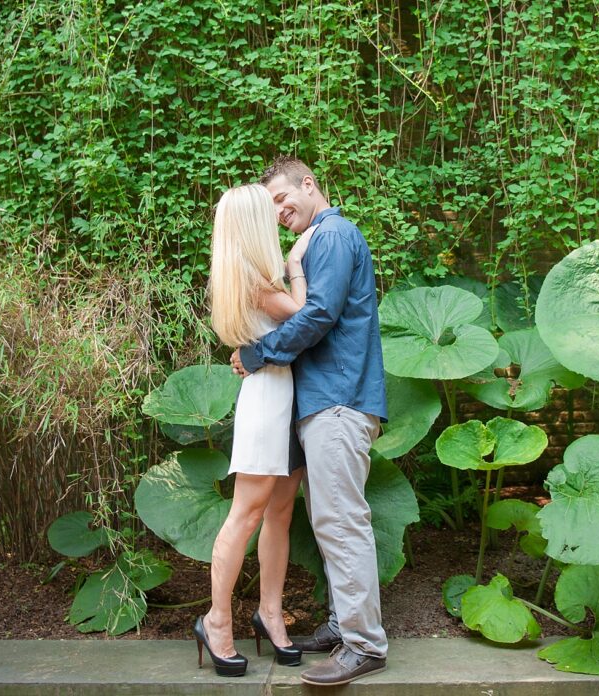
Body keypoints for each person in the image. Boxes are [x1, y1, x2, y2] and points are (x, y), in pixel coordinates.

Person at [230, 156, 389, 686]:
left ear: (309, 184)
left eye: (282, 198)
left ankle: (364, 645)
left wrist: (258, 353)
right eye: (270, 205)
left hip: (340, 398)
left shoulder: (333, 235)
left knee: (341, 521)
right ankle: (347, 627)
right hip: (327, 399)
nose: (278, 211)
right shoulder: (318, 239)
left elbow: (317, 314)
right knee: (331, 521)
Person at [193, 183, 314, 677]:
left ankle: (269, 613)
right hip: (267, 401)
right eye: (269, 212)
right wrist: (298, 263)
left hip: (285, 397)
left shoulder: (252, 275)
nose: (278, 216)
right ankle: (216, 621)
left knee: (280, 513)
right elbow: (310, 316)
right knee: (245, 515)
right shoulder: (253, 279)